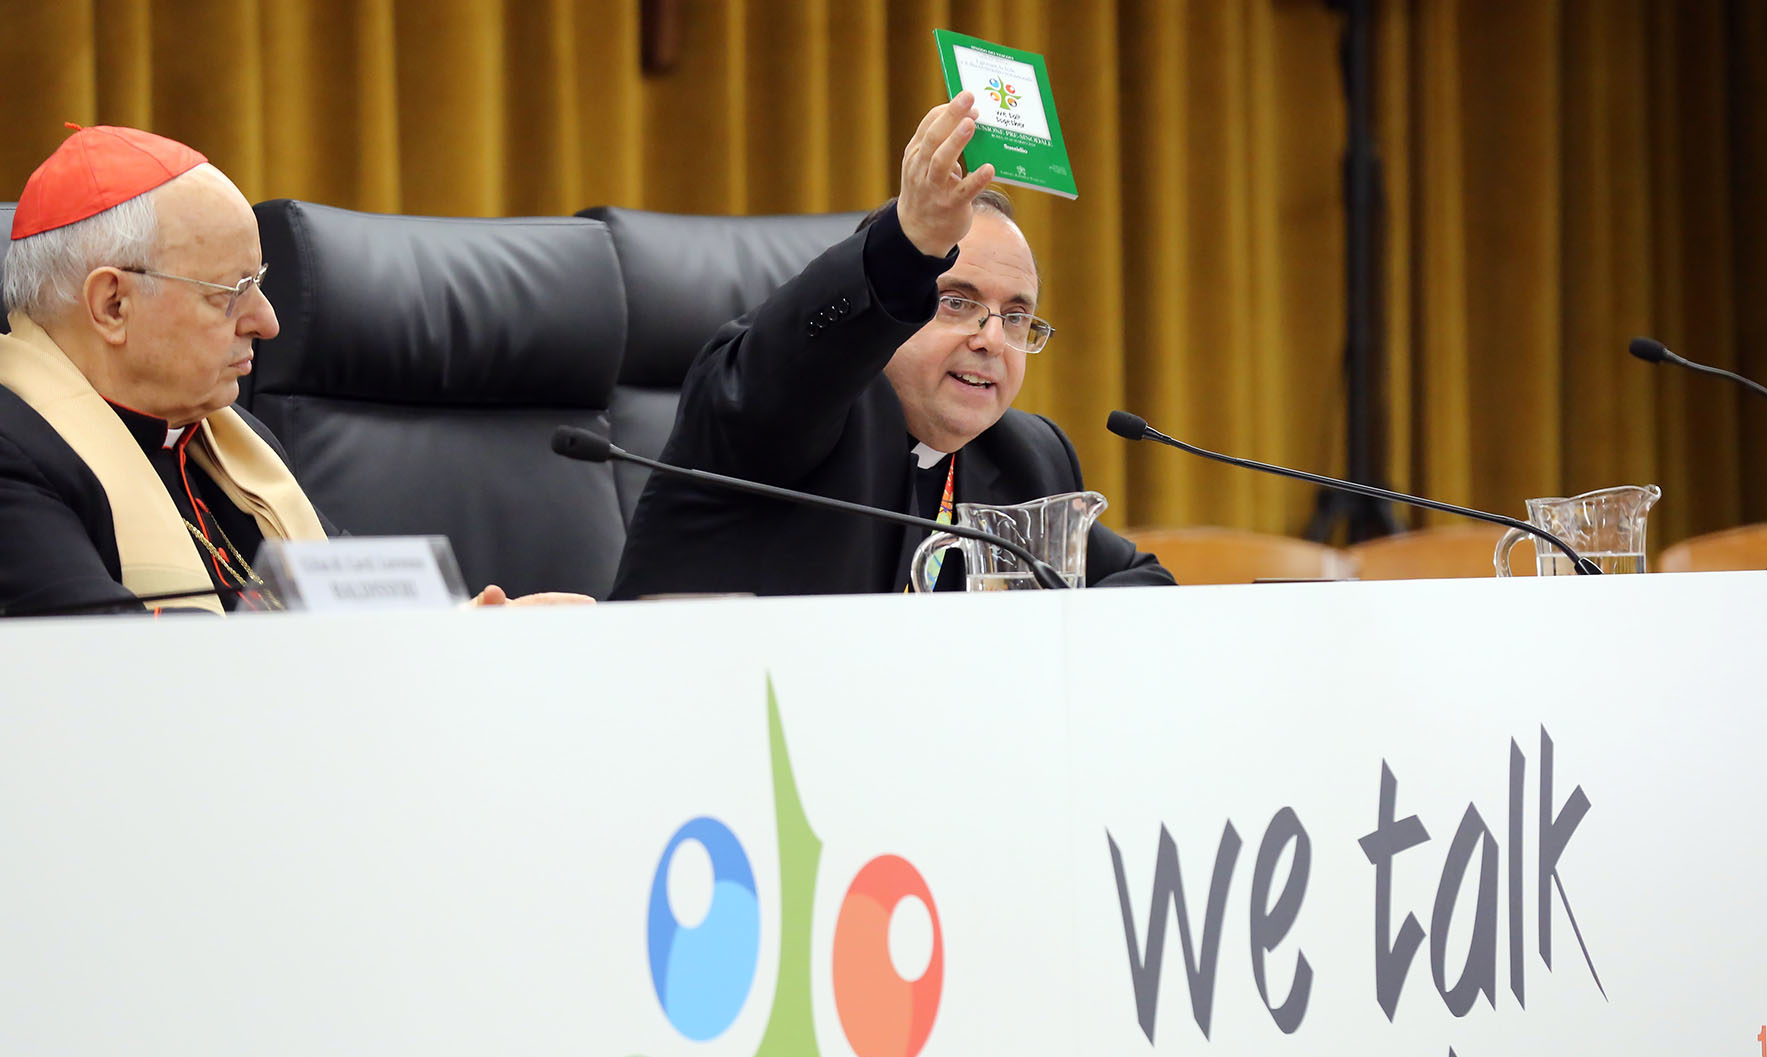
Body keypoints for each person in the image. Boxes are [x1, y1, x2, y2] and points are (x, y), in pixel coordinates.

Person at [0, 124, 585, 615]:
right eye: (232, 292)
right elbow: (109, 674)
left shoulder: (233, 442)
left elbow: (354, 614)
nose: (267, 321)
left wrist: (471, 631)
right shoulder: (14, 453)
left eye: (261, 284)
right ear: (113, 305)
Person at [610, 93, 1174, 597]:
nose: (992, 340)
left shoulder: (1027, 457)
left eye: (1017, 315)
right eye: (957, 302)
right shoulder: (787, 413)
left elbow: (1145, 584)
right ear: (890, 306)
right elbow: (800, 361)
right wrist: (910, 243)